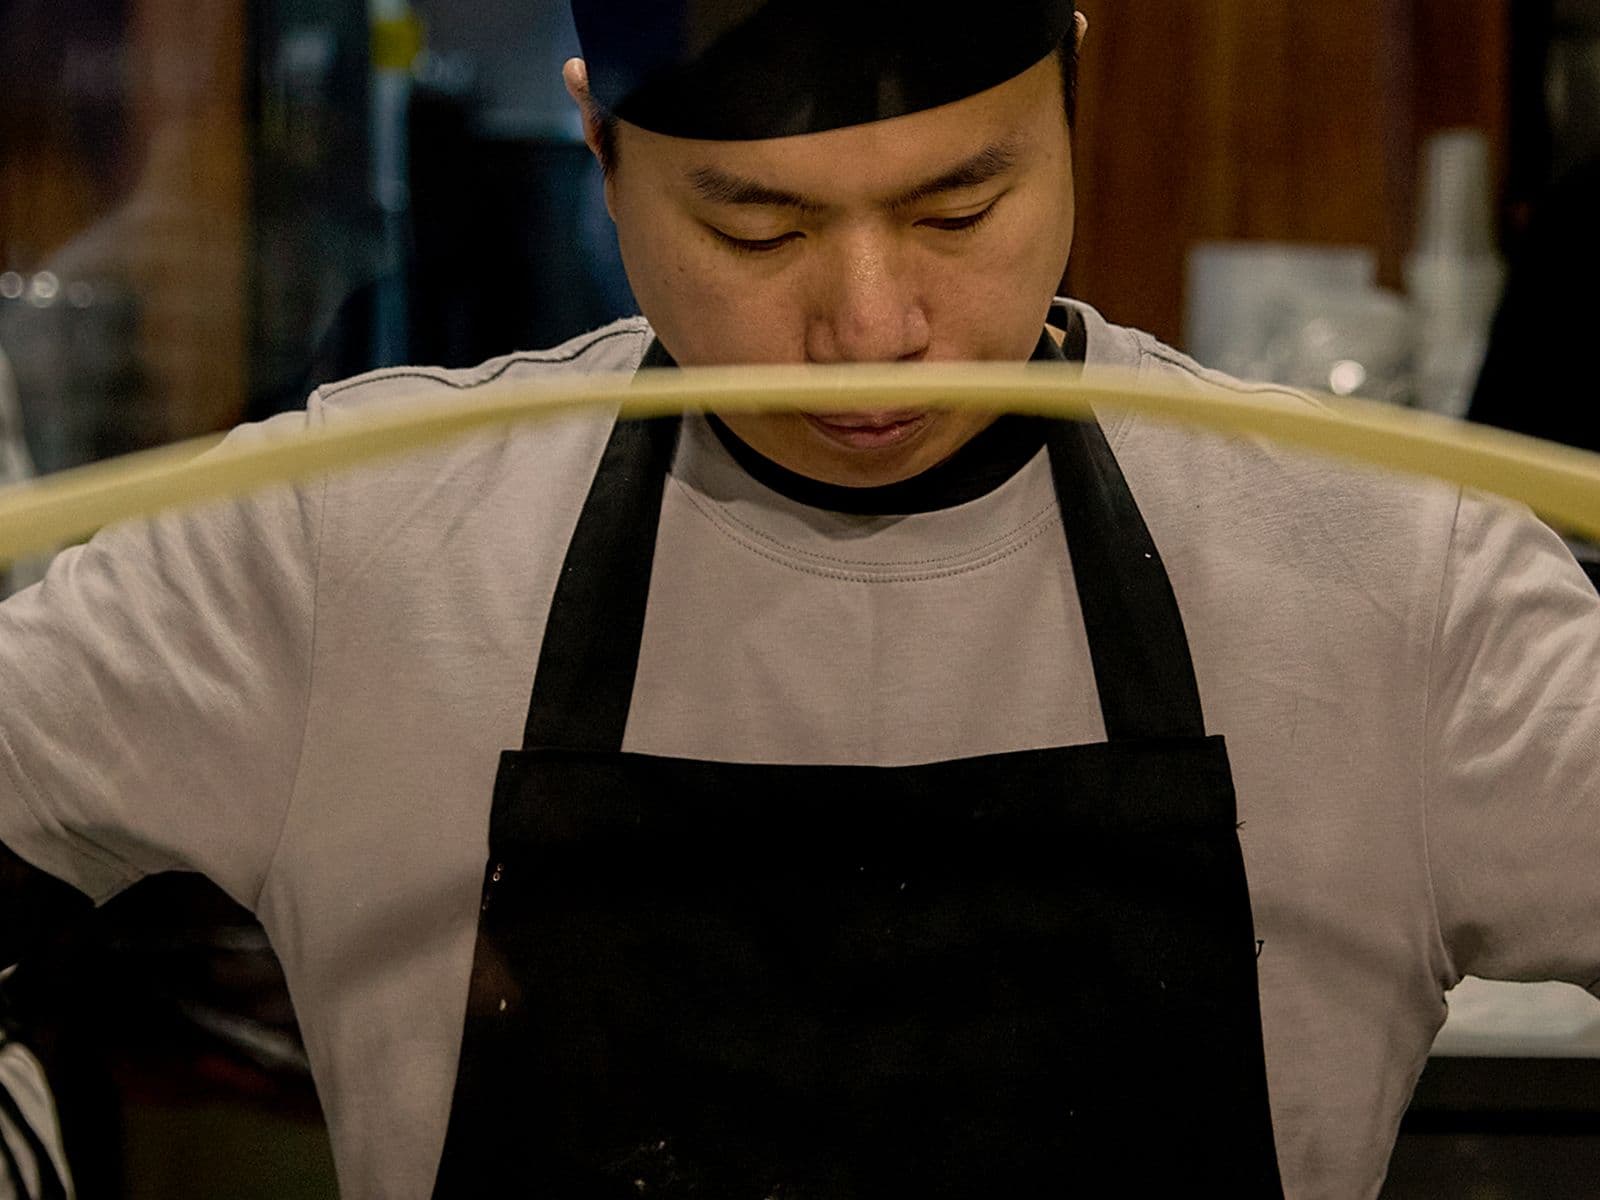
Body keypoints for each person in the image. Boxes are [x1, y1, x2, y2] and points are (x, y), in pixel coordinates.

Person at [2, 2, 1600, 1196]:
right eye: (753, 225)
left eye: (960, 213)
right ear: (598, 149)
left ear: (1077, 91)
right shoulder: (336, 544)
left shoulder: (1399, 568)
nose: (872, 324)